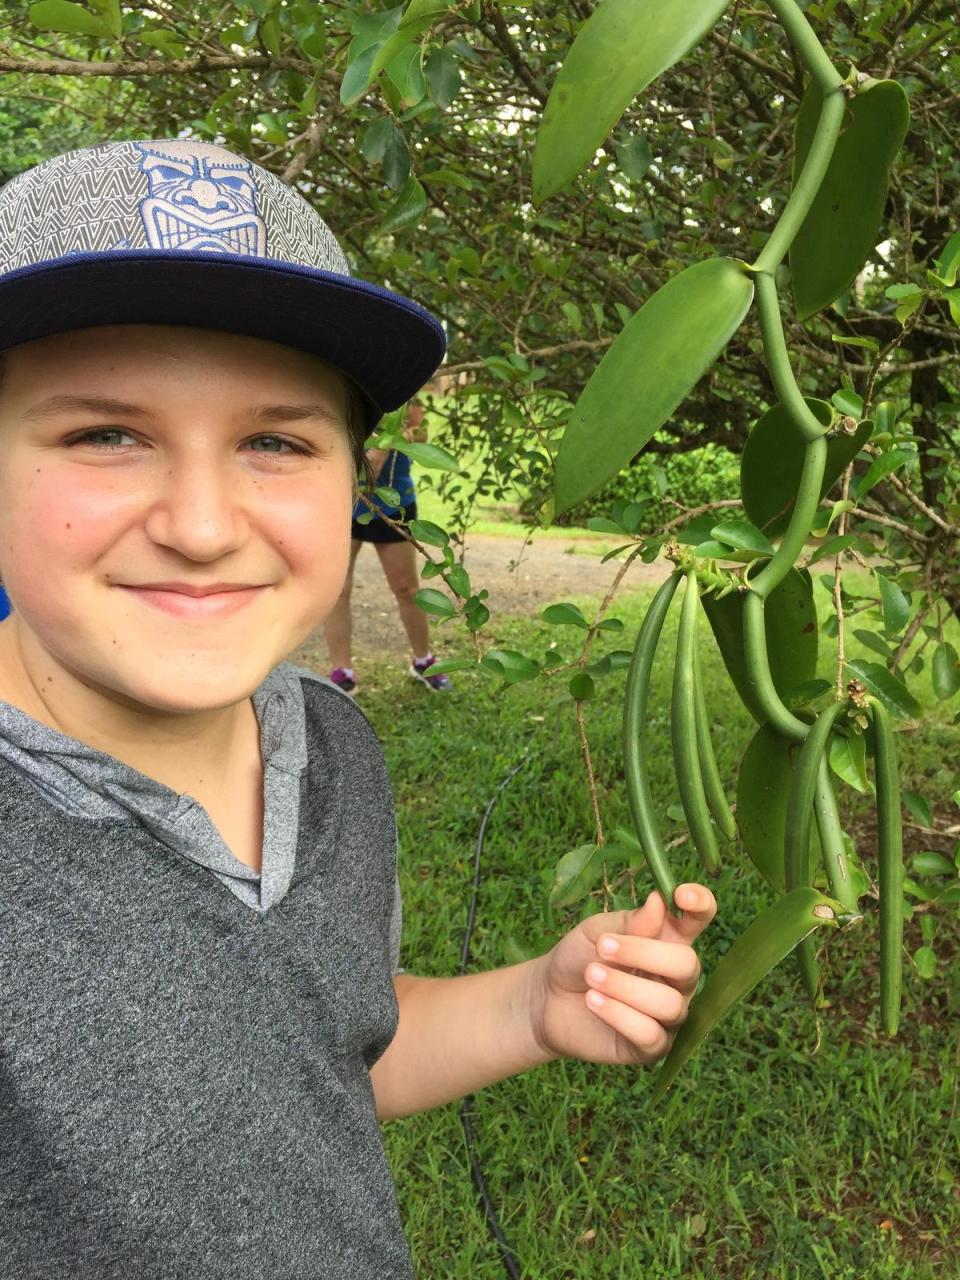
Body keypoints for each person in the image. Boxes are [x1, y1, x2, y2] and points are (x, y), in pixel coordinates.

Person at [0, 138, 716, 1279]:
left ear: (354, 476)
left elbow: (329, 1048)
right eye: (106, 433)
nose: (200, 521)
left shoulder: (332, 747)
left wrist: (533, 1003)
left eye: (275, 441)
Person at [323, 395, 451, 694]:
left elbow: (421, 435)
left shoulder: (405, 387)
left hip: (395, 503)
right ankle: (342, 672)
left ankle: (423, 661)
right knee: (337, 588)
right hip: (344, 499)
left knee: (407, 588)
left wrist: (387, 441)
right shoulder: (343, 378)